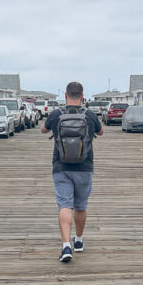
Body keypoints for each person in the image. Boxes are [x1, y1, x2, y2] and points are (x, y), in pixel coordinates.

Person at [41, 81, 103, 263]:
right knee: (81, 205)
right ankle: (79, 240)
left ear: (66, 96)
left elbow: (43, 129)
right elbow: (101, 132)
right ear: (82, 97)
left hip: (61, 167)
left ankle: (66, 245)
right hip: (85, 166)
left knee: (65, 205)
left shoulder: (56, 114)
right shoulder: (89, 114)